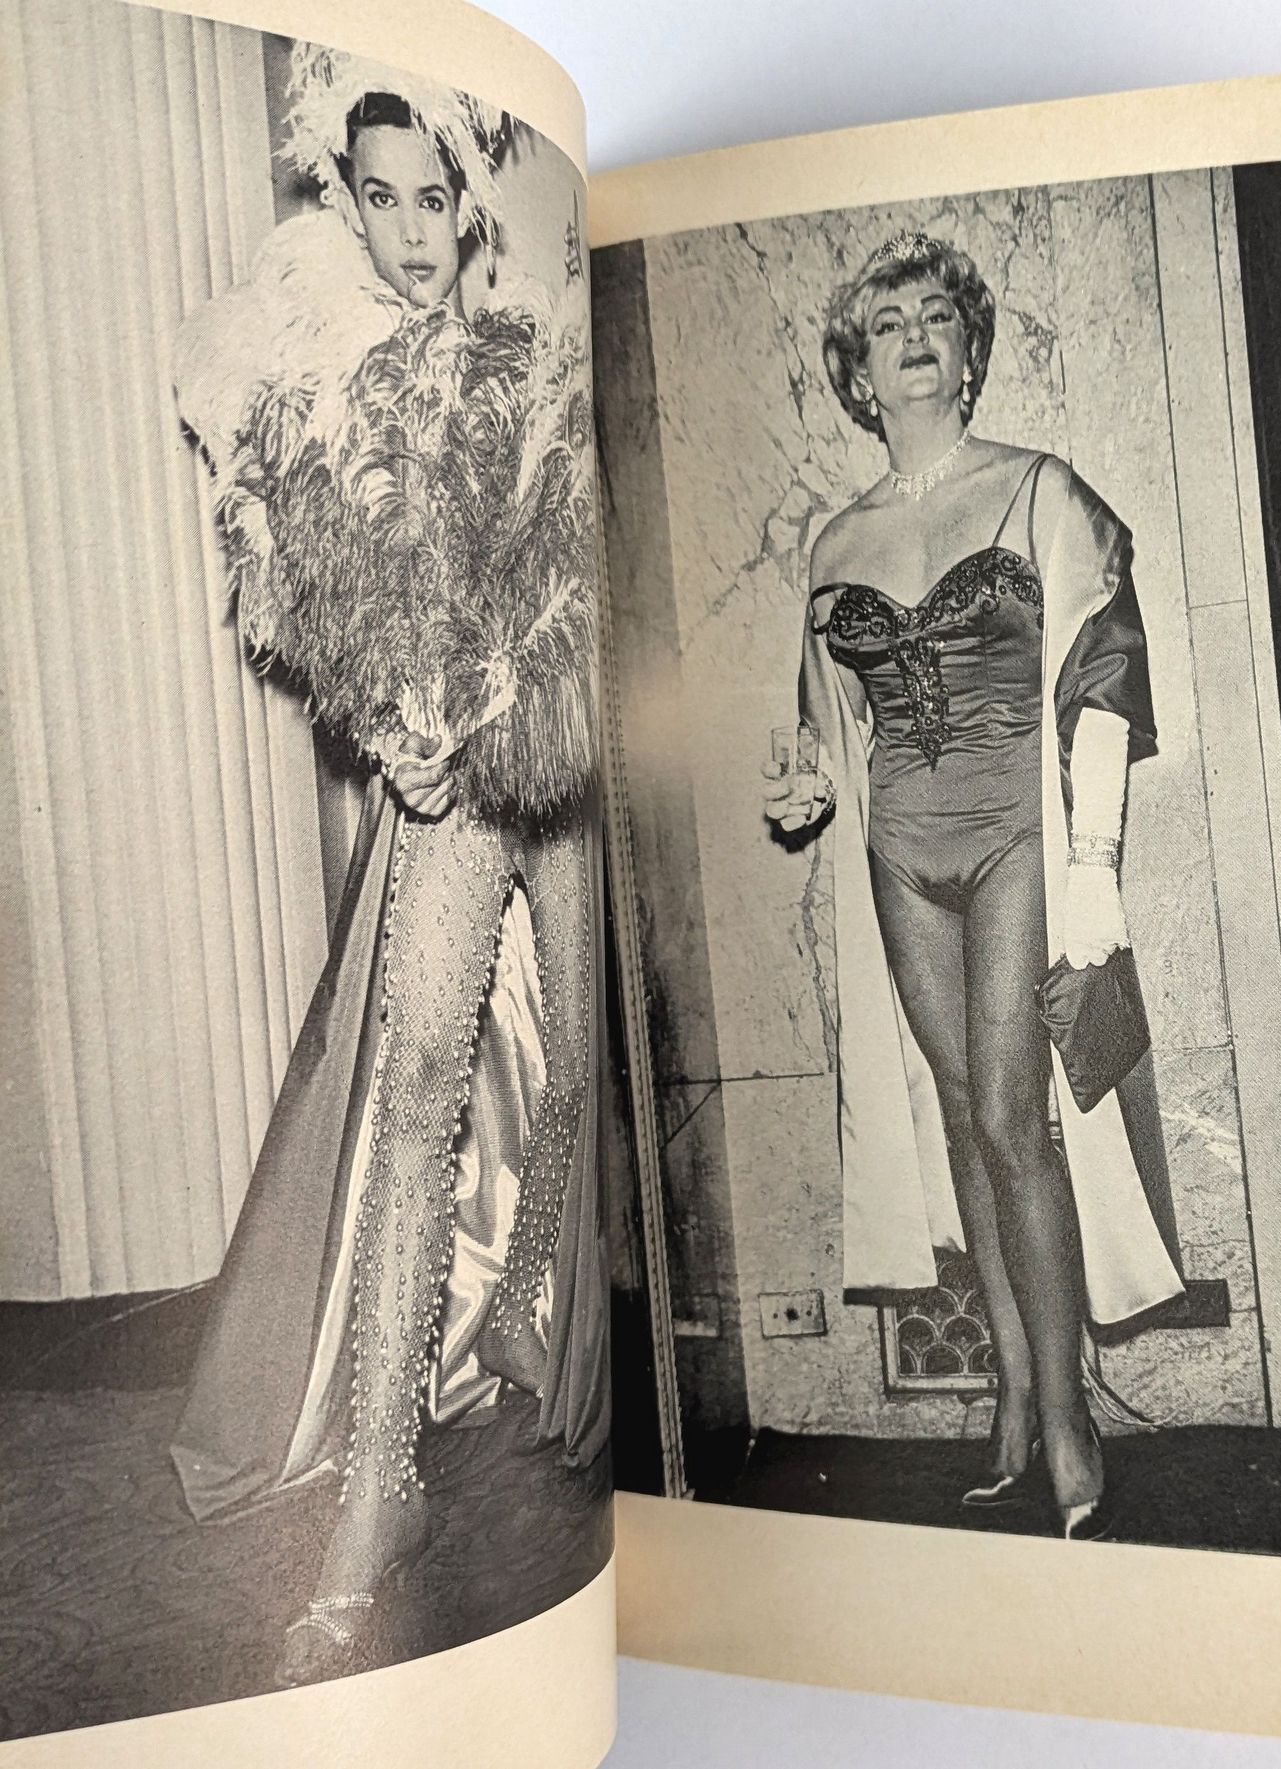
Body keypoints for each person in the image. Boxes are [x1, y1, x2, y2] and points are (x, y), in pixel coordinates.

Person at [171, 47, 607, 1685]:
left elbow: (581, 584)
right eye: (381, 199)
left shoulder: (531, 350)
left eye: (434, 199)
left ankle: (540, 1314)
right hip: (451, 779)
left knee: (579, 1062)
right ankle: (379, 1495)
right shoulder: (329, 382)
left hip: (572, 751)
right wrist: (393, 730)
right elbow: (308, 600)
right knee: (422, 1079)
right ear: (342, 201)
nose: (413, 233)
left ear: (470, 202)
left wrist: (505, 698)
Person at [764, 232, 1183, 1539]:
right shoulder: (833, 542)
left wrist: (1093, 866)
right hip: (902, 849)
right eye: (887, 324)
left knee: (1011, 1115)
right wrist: (804, 789)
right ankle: (1012, 1394)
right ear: (859, 371)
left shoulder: (1035, 489)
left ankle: (1068, 1419)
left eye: (937, 317)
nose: (914, 337)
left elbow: (1105, 669)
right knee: (960, 1118)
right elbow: (822, 730)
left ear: (969, 352)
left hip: (1013, 834)